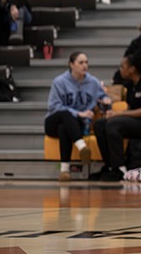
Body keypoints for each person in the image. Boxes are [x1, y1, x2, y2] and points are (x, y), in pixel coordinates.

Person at [90, 51, 141, 182]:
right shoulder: (131, 84)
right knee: (100, 124)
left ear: (132, 69)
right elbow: (131, 109)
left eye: (122, 67)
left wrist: (120, 114)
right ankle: (110, 166)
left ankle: (120, 168)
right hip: (138, 121)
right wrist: (114, 114)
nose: (120, 70)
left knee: (114, 125)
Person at [44, 52, 108, 182]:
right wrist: (79, 113)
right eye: (81, 62)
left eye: (86, 62)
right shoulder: (59, 81)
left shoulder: (93, 82)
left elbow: (104, 97)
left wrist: (106, 100)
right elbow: (53, 106)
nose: (85, 66)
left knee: (64, 128)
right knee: (65, 115)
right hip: (53, 121)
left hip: (74, 126)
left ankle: (64, 171)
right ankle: (82, 146)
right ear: (71, 65)